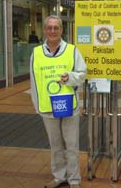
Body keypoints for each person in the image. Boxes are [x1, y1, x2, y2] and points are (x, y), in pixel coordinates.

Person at [30, 15, 87, 188]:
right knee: (55, 145)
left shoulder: (72, 50)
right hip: (48, 107)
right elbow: (34, 81)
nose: (53, 31)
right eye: (49, 27)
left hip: (69, 105)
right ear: (45, 30)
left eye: (56, 27)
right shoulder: (37, 53)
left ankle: (74, 180)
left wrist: (70, 77)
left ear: (61, 30)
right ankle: (59, 176)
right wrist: (37, 105)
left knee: (71, 144)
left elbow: (82, 74)